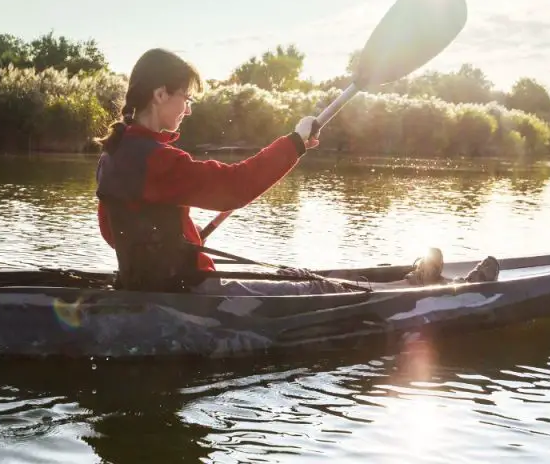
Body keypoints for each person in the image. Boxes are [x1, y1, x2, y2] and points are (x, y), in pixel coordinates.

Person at [94, 48, 359, 296]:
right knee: (315, 289)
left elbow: (113, 231)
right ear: (160, 94)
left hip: (141, 286)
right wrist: (296, 143)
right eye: (186, 98)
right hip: (188, 292)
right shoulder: (158, 159)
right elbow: (235, 187)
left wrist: (177, 235)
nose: (188, 109)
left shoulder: (112, 153)